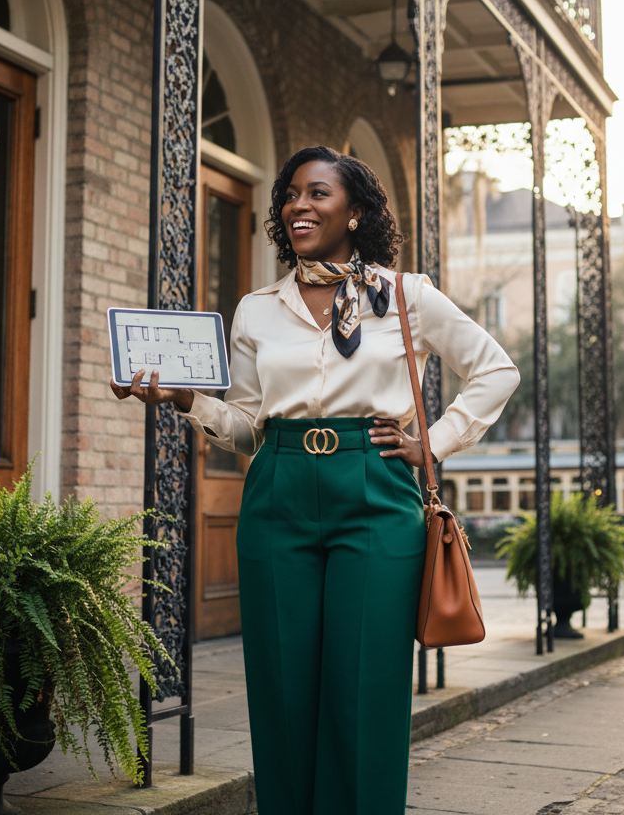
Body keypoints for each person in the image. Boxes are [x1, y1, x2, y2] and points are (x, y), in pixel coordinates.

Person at [111, 145, 519, 815]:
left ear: (355, 212)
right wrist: (186, 402)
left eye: (318, 193)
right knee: (281, 687)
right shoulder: (257, 310)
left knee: (364, 691)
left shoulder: (406, 296)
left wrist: (433, 443)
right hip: (280, 488)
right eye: (291, 195)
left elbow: (496, 369)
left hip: (376, 490)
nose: (299, 205)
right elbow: (247, 426)